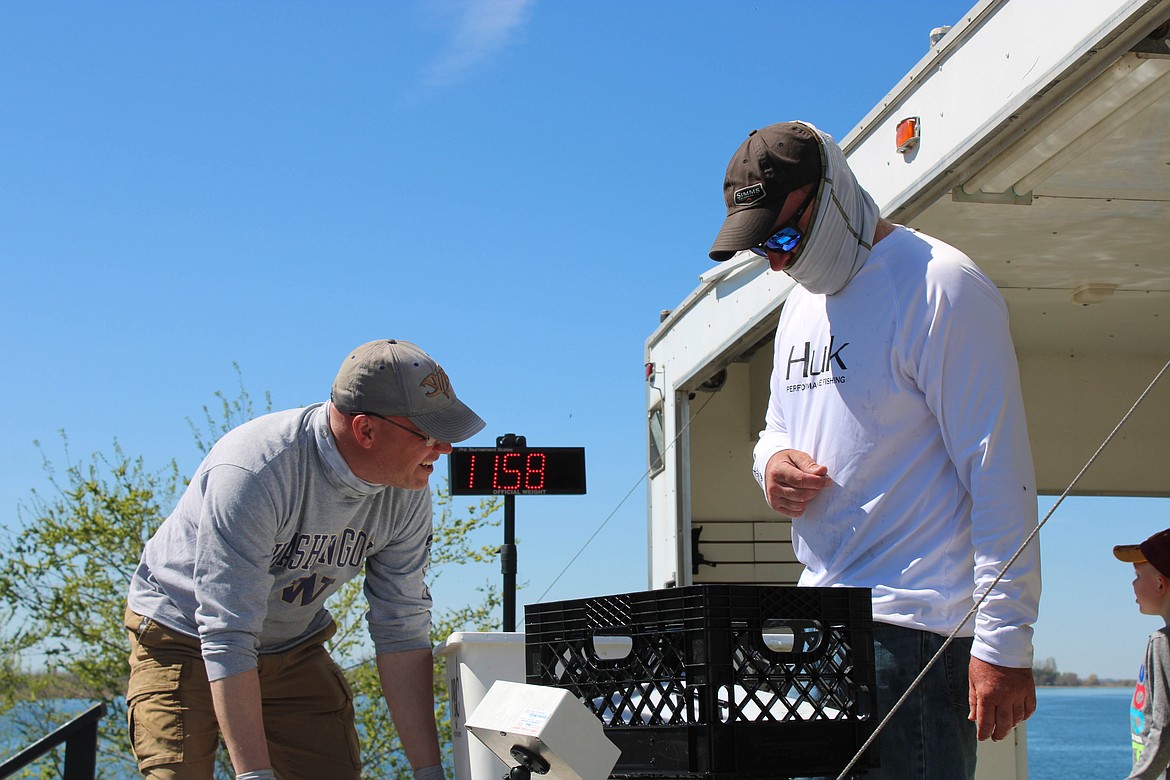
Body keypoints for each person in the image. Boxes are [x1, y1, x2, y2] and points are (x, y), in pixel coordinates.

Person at [708, 121, 1041, 780]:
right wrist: (770, 463)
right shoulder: (799, 309)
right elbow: (775, 427)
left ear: (832, 194)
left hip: (914, 638)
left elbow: (999, 471)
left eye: (781, 237)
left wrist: (1004, 640)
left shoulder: (940, 285)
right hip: (817, 633)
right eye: (760, 249)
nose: (776, 262)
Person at [124, 339, 484, 780]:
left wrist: (430, 773)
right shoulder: (255, 472)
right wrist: (254, 775)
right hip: (183, 635)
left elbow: (402, 628)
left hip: (290, 647)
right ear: (365, 430)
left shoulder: (406, 491)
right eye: (428, 435)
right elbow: (227, 630)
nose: (444, 449)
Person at [1115, 529, 1170, 779]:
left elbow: (1165, 728)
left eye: (1137, 575)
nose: (1132, 583)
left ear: (1161, 584)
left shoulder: (1162, 643)